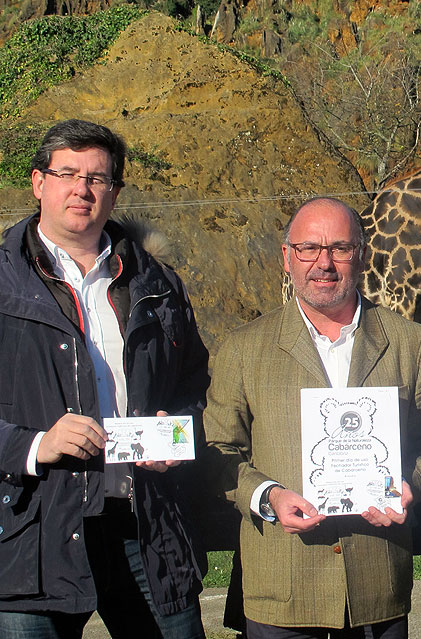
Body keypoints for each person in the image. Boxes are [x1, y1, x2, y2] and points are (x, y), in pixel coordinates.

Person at [203, 197, 421, 638]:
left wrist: (410, 484)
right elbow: (219, 451)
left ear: (361, 255)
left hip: (376, 585)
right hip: (282, 589)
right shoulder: (243, 349)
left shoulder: (407, 342)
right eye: (309, 248)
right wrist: (268, 497)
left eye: (340, 248)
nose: (324, 263)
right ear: (287, 257)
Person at [0, 119, 209, 637]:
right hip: (35, 531)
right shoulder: (3, 280)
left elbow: (196, 383)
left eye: (98, 178)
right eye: (68, 173)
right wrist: (35, 445)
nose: (82, 189)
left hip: (145, 523)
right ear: (38, 183)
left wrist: (176, 433)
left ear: (114, 192)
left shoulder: (155, 281)